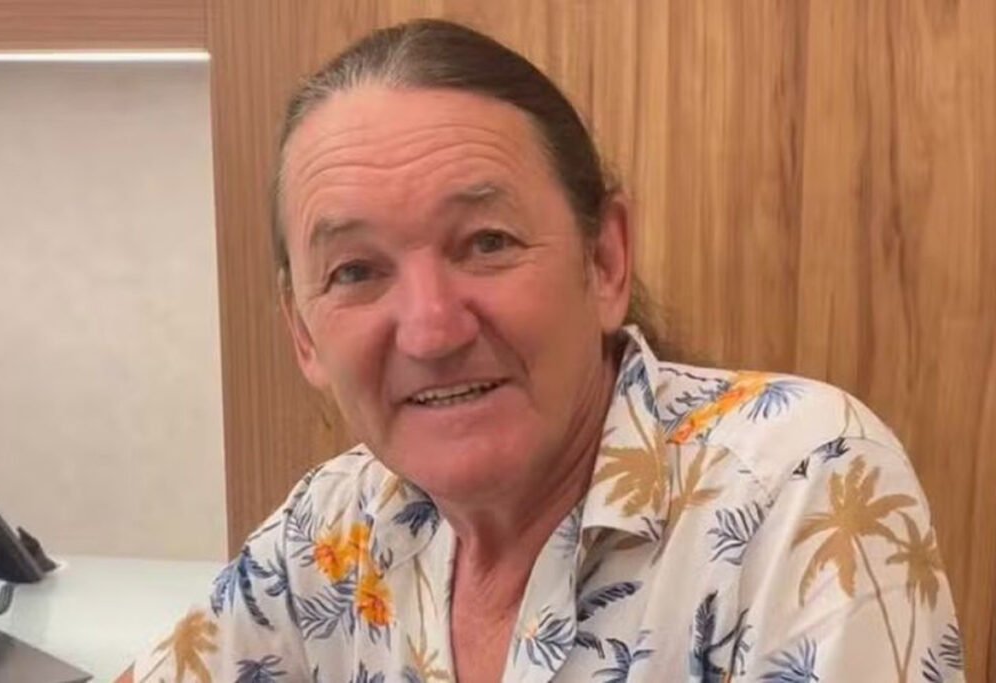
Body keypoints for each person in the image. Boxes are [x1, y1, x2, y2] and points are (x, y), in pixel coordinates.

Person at [122, 19, 963, 683]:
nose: (432, 329)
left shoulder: (801, 482)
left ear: (605, 260)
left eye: (487, 242)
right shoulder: (330, 528)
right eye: (356, 271)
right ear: (303, 334)